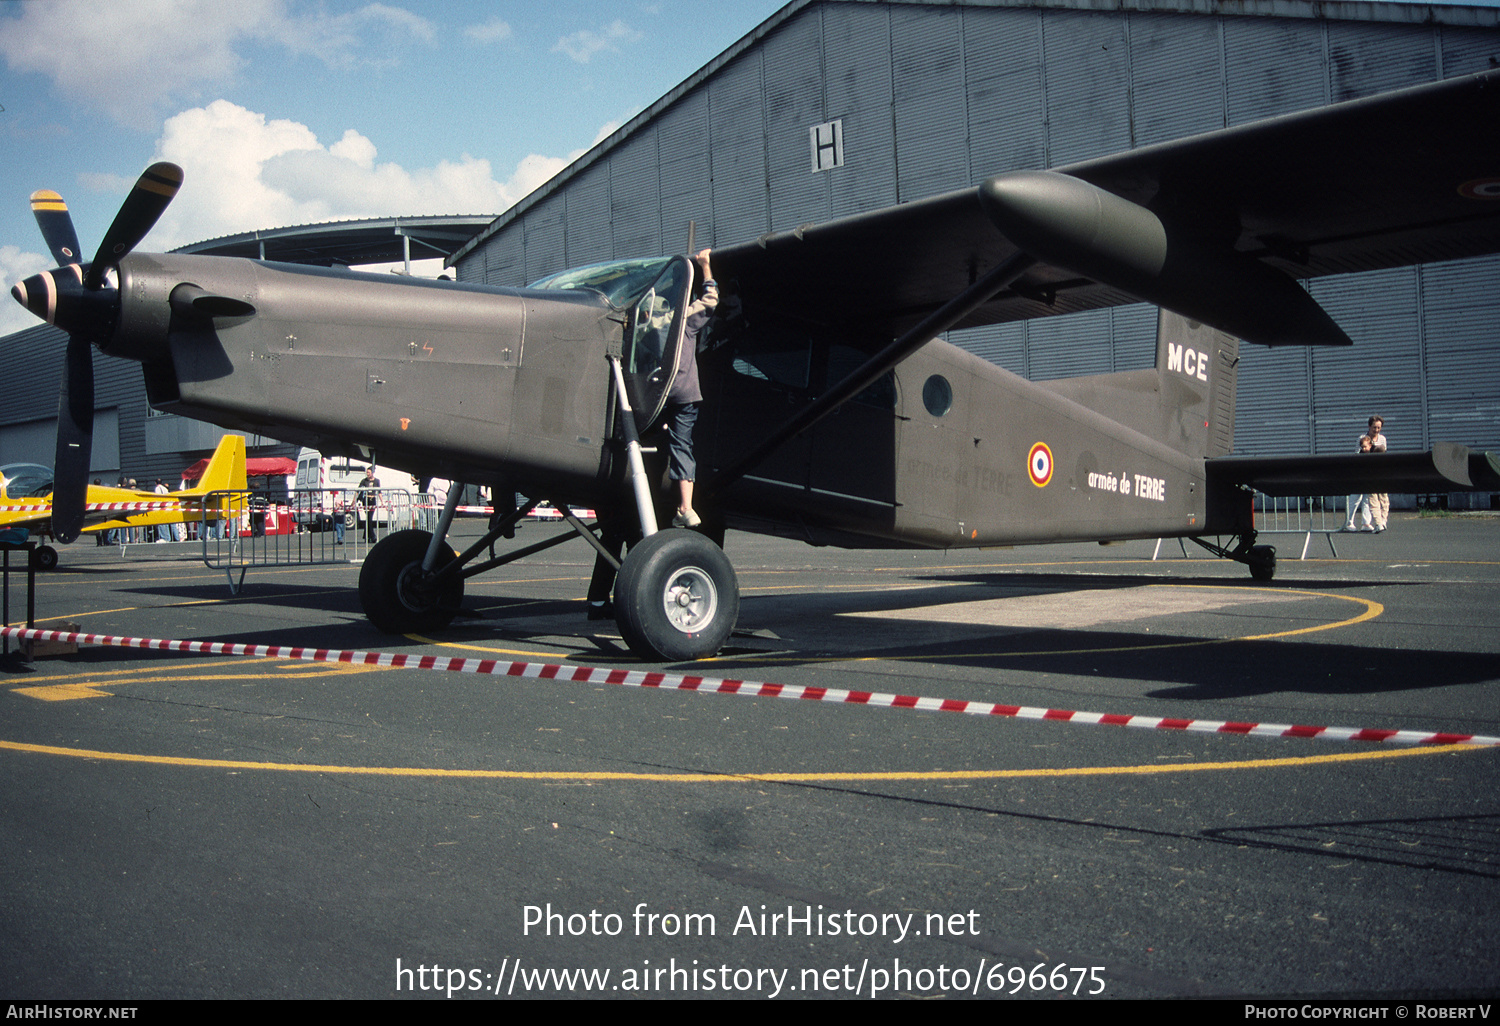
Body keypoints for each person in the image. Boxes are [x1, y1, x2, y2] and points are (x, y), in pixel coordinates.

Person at [663, 248, 718, 529]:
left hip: (657, 393)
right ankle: (686, 506)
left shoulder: (655, 319)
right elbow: (710, 301)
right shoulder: (685, 316)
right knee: (682, 445)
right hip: (685, 392)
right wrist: (706, 266)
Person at [1363, 415, 1389, 532]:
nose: (1377, 430)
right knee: (1373, 499)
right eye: (1374, 427)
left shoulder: (1382, 439)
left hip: (1381, 472)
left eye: (1379, 428)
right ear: (1369, 426)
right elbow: (1357, 455)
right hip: (1369, 472)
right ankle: (1378, 523)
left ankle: (1384, 521)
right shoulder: (1364, 439)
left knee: (1384, 498)